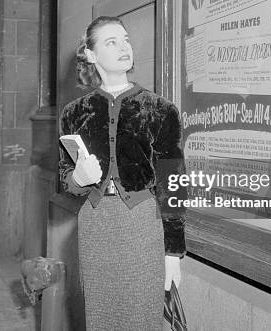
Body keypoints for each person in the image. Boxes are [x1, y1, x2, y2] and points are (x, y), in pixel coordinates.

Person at [58, 16, 187, 330]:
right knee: (102, 319)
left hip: (143, 224)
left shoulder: (161, 110)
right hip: (96, 224)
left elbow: (174, 184)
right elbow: (65, 179)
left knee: (143, 317)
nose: (123, 47)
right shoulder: (74, 113)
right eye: (111, 42)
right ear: (90, 54)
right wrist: (79, 178)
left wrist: (173, 251)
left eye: (126, 40)